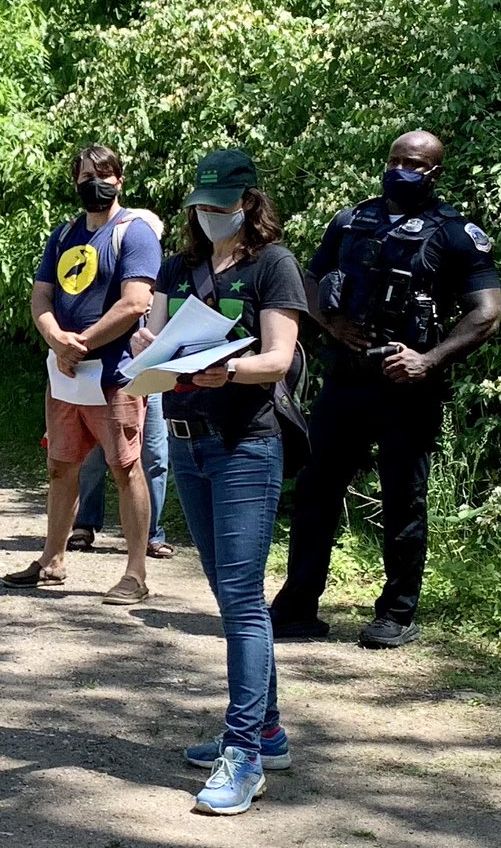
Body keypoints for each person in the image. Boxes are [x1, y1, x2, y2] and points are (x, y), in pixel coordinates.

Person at [269, 131, 501, 648]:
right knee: (315, 492)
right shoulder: (352, 219)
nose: (401, 169)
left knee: (403, 500)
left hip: (408, 390)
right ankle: (298, 606)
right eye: (395, 160)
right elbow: (309, 279)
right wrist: (330, 323)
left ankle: (396, 613)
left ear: (434, 171)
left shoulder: (457, 232)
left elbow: (485, 314)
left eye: (414, 163)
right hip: (346, 381)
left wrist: (429, 359)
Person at [133, 149, 306, 814]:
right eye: (200, 206)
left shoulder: (274, 265)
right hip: (188, 445)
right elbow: (151, 334)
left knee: (240, 597)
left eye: (220, 204)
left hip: (244, 446)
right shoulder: (178, 267)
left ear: (246, 202)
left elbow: (276, 359)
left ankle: (245, 754)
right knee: (229, 593)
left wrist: (225, 371)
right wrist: (141, 353)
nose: (209, 215)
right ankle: (268, 728)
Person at [2, 144, 162, 605]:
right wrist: (56, 339)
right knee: (60, 468)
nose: (96, 182)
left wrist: (82, 342)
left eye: (105, 173)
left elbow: (135, 302)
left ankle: (135, 574)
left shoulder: (135, 233)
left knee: (126, 469)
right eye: (86, 175)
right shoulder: (64, 234)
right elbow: (41, 298)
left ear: (120, 180)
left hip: (115, 374)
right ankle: (52, 559)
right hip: (66, 374)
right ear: (75, 182)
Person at [68, 393, 173, 558]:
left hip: (150, 384)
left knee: (155, 458)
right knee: (93, 458)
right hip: (106, 384)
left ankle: (149, 534)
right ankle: (84, 524)